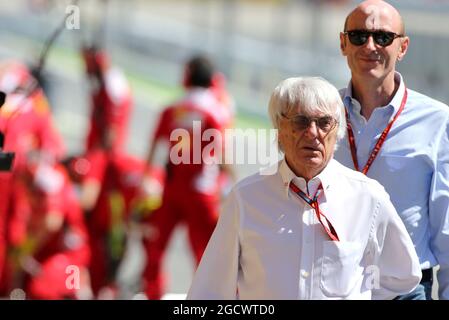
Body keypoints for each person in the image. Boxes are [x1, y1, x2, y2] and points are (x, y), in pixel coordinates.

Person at [187, 76, 421, 300]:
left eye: (324, 123)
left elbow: (403, 275)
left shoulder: (369, 197)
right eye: (300, 121)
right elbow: (210, 290)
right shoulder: (245, 198)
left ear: (337, 130)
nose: (313, 133)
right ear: (279, 129)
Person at [334, 0, 449, 300]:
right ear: (343, 43)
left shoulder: (437, 120)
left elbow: (446, 226)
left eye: (383, 37)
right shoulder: (320, 114)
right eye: (359, 36)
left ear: (403, 47)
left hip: (406, 291)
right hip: (331, 286)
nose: (370, 45)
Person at [140, 55, 234, 299]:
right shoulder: (216, 109)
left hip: (170, 190)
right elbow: (223, 154)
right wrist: (230, 186)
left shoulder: (173, 108)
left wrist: (146, 181)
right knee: (205, 255)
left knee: (155, 249)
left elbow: (153, 148)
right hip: (201, 194)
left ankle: (154, 294)